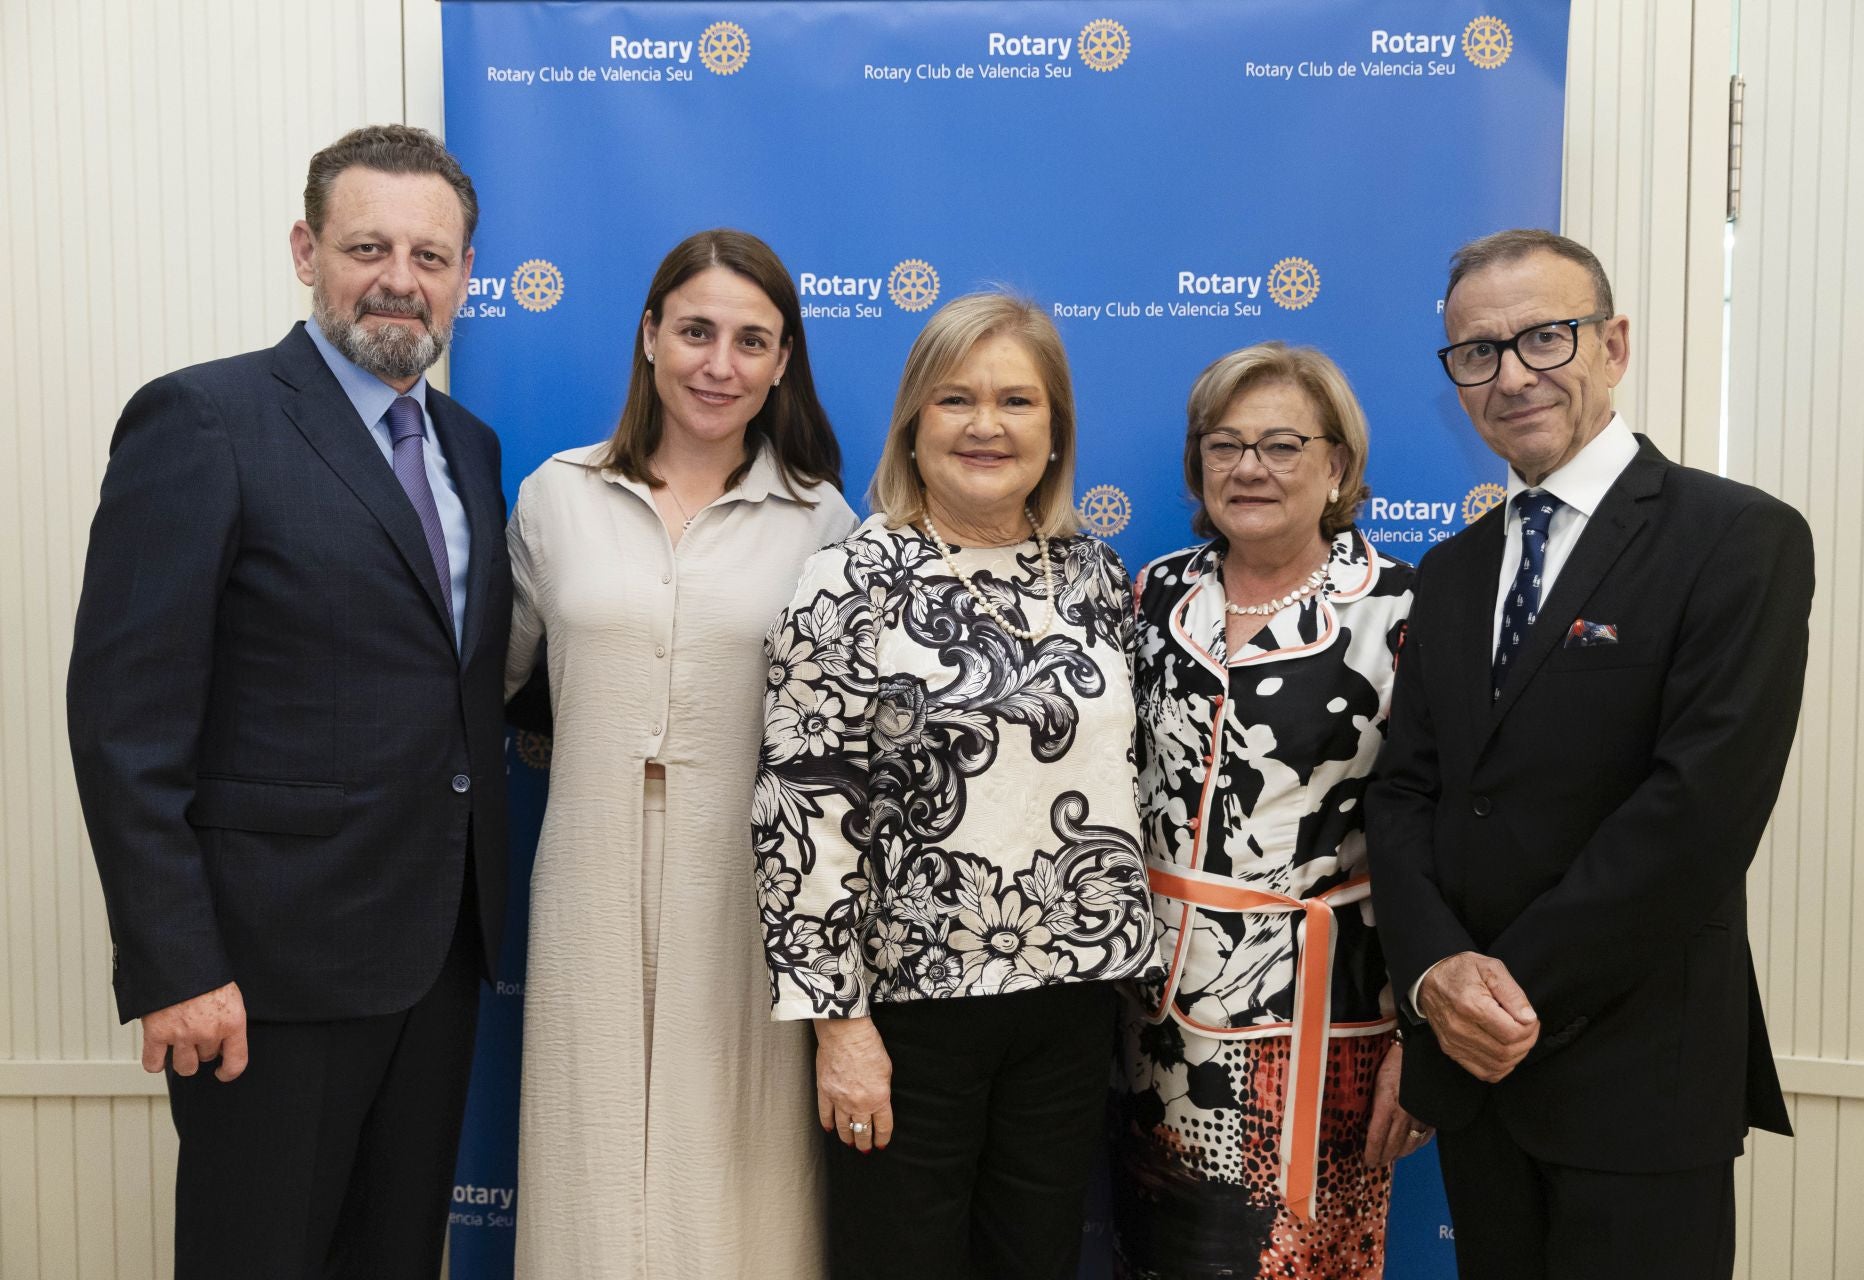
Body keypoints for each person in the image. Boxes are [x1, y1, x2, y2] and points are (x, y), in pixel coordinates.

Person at [66, 124, 509, 1277]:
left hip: (438, 958)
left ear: (467, 272)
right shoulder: (203, 420)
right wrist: (175, 965)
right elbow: (125, 723)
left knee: (395, 1257)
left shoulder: (471, 447)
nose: (401, 279)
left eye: (432, 253)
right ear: (307, 249)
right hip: (265, 973)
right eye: (369, 245)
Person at [1368, 229, 1813, 1278]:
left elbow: (1696, 813)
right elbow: (1406, 791)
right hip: (1482, 1090)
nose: (1512, 374)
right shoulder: (1455, 568)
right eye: (1478, 352)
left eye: (1545, 337)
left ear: (1613, 344)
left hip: (1638, 1084)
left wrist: (1501, 994)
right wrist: (1435, 977)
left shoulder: (1736, 538)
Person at [752, 291, 1159, 1279]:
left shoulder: (1099, 578)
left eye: (1017, 400)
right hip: (907, 1010)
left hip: (1070, 998)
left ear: (1054, 428)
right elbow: (803, 814)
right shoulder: (848, 578)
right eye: (956, 399)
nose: (987, 425)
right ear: (912, 424)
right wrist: (840, 1024)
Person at [505, 228, 857, 1278]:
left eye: (752, 340)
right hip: (587, 865)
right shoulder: (554, 497)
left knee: (736, 1155)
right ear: (649, 335)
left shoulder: (824, 522)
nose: (719, 362)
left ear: (783, 361)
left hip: (749, 884)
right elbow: (481, 683)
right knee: (588, 1141)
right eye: (696, 330)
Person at [1115, 341, 1426, 1279]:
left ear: (1338, 466)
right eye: (1225, 444)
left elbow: (1437, 839)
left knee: (1298, 1261)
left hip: (1324, 1031)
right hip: (1153, 1019)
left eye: (1284, 445)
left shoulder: (1403, 612)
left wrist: (1421, 1037)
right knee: (1160, 1254)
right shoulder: (1155, 592)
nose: (1249, 467)